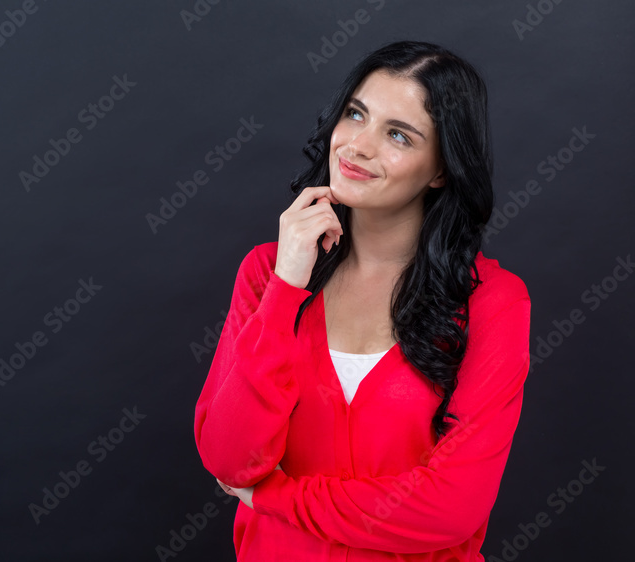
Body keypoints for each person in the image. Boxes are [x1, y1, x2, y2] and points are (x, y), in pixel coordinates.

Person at [193, 40, 531, 560]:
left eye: (398, 134)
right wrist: (286, 288)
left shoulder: (492, 301)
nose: (357, 146)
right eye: (356, 114)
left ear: (441, 170)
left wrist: (273, 495)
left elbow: (450, 509)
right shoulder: (268, 273)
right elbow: (229, 458)